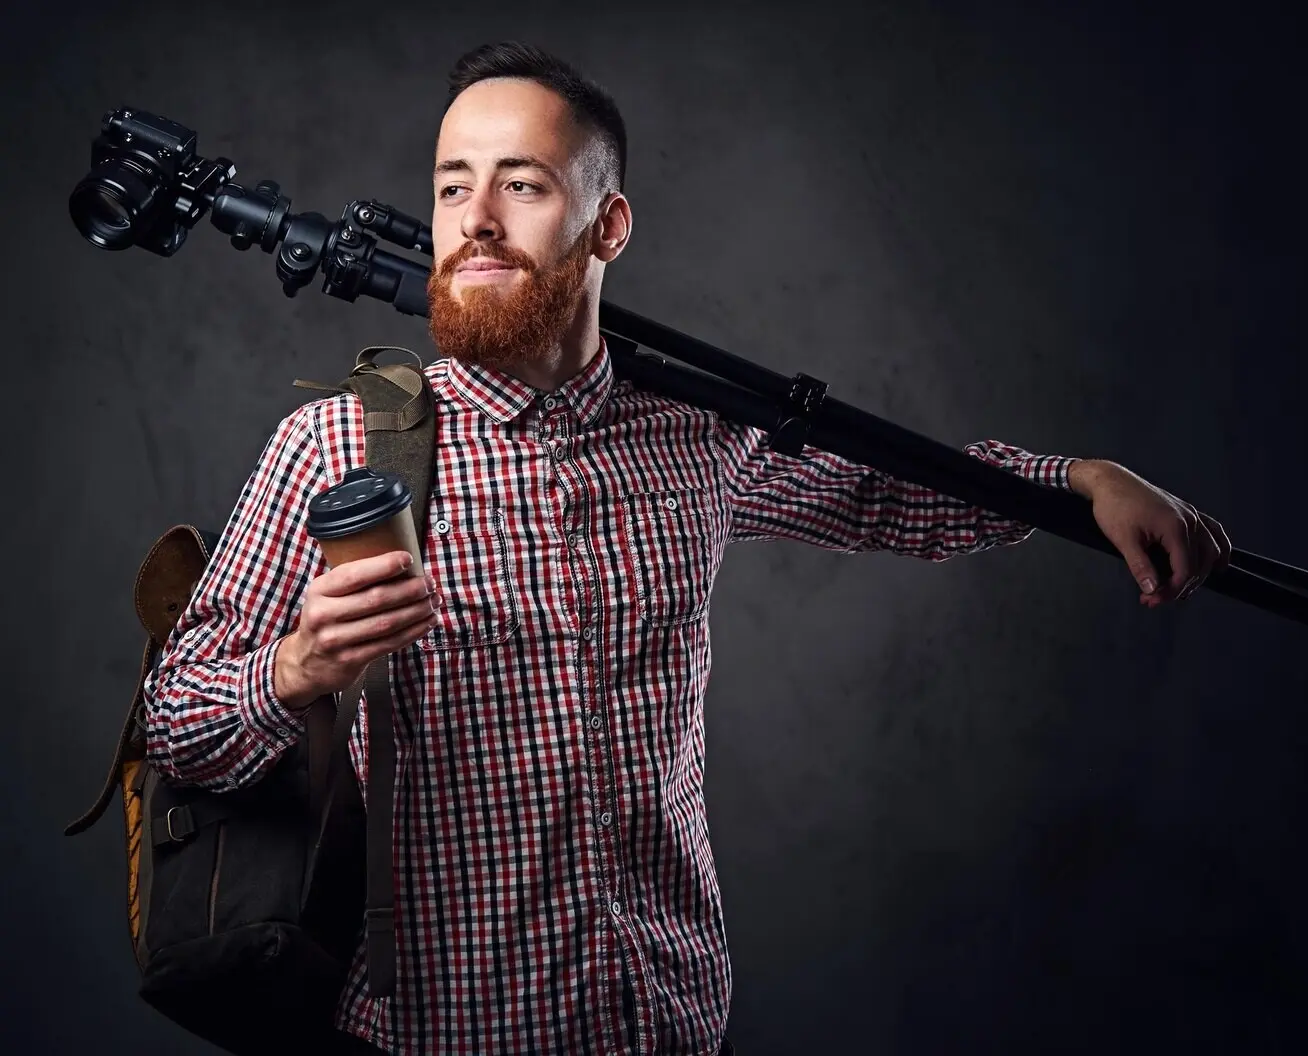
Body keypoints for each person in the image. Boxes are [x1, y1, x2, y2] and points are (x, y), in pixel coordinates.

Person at [143, 40, 1232, 1056]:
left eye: (522, 185)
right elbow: (176, 725)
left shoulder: (696, 436)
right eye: (451, 186)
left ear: (608, 225)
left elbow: (890, 495)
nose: (476, 220)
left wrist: (1077, 481)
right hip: (442, 1029)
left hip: (669, 1016)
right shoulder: (335, 446)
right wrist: (295, 671)